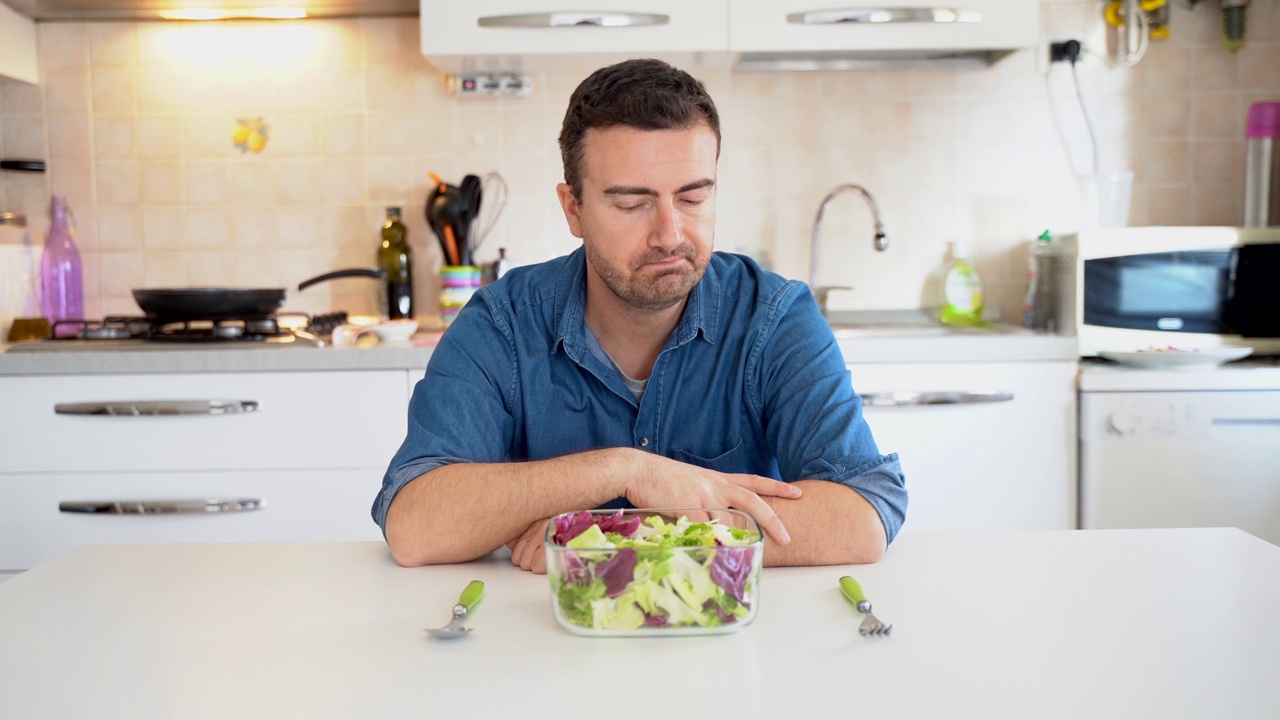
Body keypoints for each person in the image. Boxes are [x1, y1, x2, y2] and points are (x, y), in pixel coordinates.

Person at [373, 58, 907, 573]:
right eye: (632, 205)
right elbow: (417, 526)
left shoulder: (774, 316)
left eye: (693, 198)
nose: (670, 234)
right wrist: (625, 468)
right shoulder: (504, 322)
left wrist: (611, 532)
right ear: (573, 209)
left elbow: (859, 516)